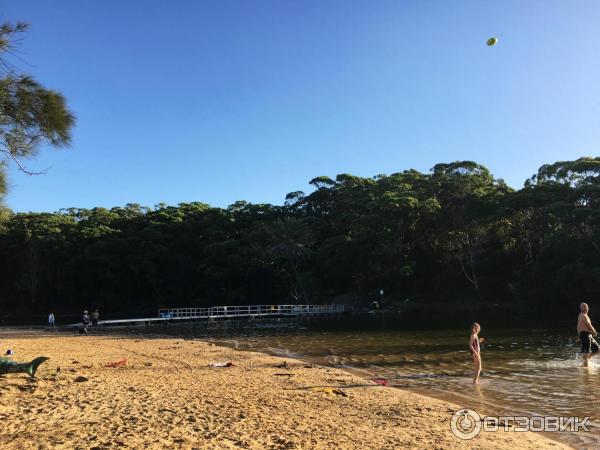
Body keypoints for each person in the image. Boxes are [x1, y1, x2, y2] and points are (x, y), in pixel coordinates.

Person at [577, 302, 599, 367]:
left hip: (588, 335)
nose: (585, 308)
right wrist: (594, 332)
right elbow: (589, 325)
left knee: (597, 350)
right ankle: (585, 370)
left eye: (585, 307)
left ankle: (584, 362)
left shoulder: (581, 315)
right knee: (586, 353)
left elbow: (578, 326)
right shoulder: (583, 316)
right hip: (585, 335)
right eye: (584, 307)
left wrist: (579, 334)